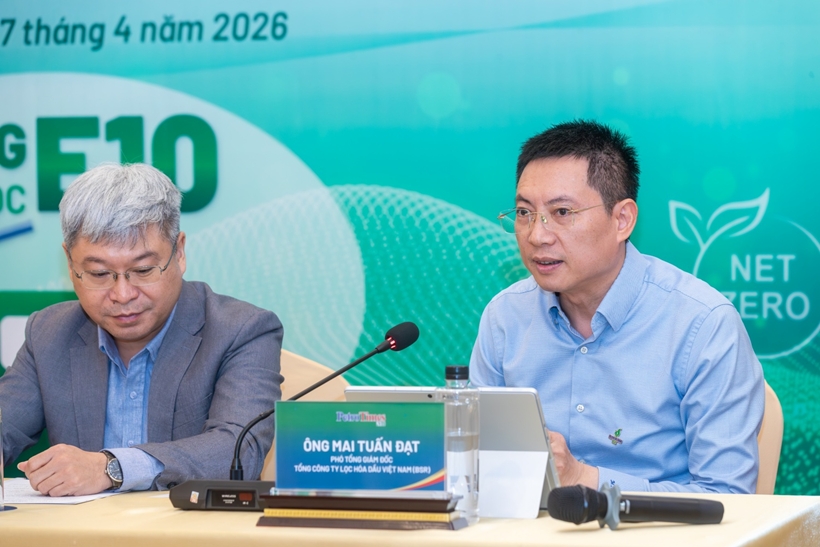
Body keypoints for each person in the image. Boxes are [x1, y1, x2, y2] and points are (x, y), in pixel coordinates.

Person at [470, 120, 765, 493]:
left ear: (622, 219)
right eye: (524, 212)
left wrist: (583, 479)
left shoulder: (702, 324)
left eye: (562, 213)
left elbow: (727, 497)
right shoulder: (505, 317)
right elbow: (473, 466)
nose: (537, 235)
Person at [0, 163, 283, 496]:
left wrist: (112, 467)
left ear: (179, 252)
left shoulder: (241, 330)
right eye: (99, 274)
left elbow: (238, 451)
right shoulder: (48, 333)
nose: (123, 295)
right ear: (70, 262)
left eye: (144, 270)